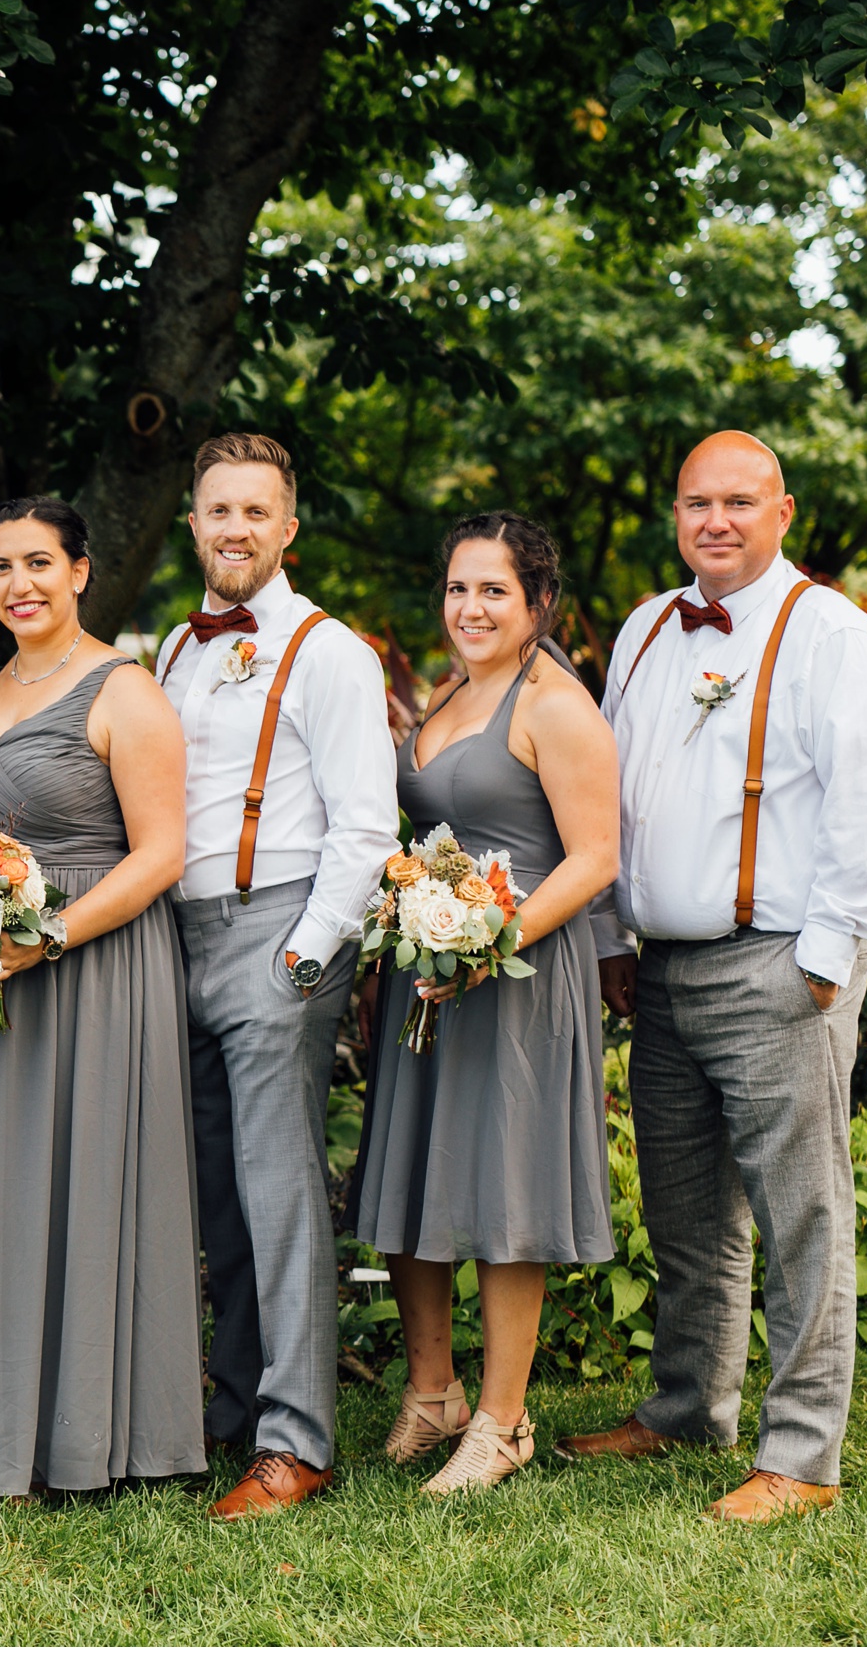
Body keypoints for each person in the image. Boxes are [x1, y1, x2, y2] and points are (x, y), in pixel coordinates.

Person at [562, 432, 867, 1521]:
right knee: (685, 1213)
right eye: (695, 503)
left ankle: (801, 1456)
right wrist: (618, 942)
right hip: (661, 969)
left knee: (801, 1214)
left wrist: (823, 962)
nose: (714, 521)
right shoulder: (646, 626)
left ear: (782, 512)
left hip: (776, 965)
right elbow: (616, 796)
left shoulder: (836, 636)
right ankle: (684, 1410)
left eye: (737, 502)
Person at [0, 496, 204, 1501]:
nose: (20, 585)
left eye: (39, 563)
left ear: (82, 571)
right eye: (1, 567)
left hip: (91, 966)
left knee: (81, 1182)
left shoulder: (123, 693)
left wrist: (47, 935)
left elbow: (163, 851)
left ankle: (86, 1434)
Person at [351, 513, 621, 1495]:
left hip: (516, 979)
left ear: (537, 602)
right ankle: (433, 1394)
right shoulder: (451, 693)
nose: (470, 608)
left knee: (504, 1194)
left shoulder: (555, 706)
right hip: (429, 970)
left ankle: (503, 1422)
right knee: (413, 1174)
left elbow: (595, 858)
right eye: (458, 588)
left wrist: (493, 941)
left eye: (493, 591)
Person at [152, 432, 394, 1519]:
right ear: (192, 525)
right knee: (217, 1193)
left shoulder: (328, 650)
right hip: (177, 935)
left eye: (256, 511)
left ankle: (296, 1442)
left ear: (287, 528)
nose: (235, 529)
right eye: (217, 511)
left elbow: (366, 825)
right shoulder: (173, 647)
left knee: (280, 1190)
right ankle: (236, 1403)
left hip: (276, 931)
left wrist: (304, 953)